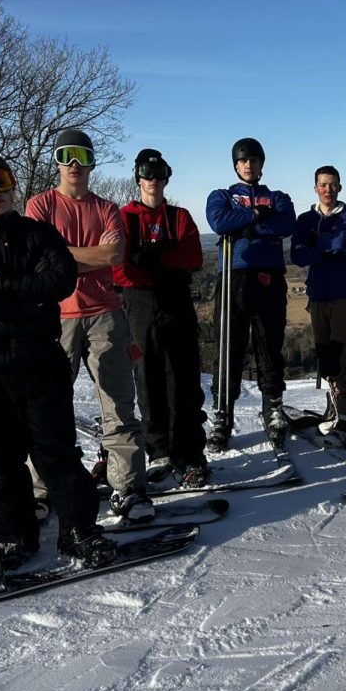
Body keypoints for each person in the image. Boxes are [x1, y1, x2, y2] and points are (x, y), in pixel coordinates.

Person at [0, 153, 117, 569]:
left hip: (39, 362)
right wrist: (27, 299)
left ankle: (79, 530)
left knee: (57, 452)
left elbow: (61, 280)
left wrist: (0, 282)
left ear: (13, 185)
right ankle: (12, 533)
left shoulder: (38, 232)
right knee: (0, 458)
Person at [25, 129, 153, 522]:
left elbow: (114, 253)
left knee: (118, 404)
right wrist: (81, 257)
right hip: (54, 315)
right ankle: (42, 491)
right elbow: (37, 259)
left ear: (93, 161)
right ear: (58, 161)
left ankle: (127, 488)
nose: (75, 164)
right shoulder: (40, 205)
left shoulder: (107, 209)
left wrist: (60, 256)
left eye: (82, 155)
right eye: (67, 155)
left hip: (105, 313)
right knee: (46, 405)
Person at [114, 148, 210, 488]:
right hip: (140, 308)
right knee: (148, 377)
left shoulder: (179, 216)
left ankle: (189, 452)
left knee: (183, 378)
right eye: (147, 174)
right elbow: (121, 269)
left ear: (166, 178)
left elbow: (193, 255)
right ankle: (159, 450)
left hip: (177, 304)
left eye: (159, 174)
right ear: (138, 179)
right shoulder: (125, 217)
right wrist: (166, 260)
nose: (153, 181)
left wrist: (150, 259)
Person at [204, 137, 297, 449]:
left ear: (261, 164)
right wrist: (257, 216)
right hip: (233, 275)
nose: (248, 165)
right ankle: (222, 414)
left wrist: (243, 226)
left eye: (254, 160)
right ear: (236, 165)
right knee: (229, 347)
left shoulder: (278, 197)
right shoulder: (222, 195)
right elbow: (219, 222)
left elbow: (285, 225)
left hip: (269, 277)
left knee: (269, 344)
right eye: (243, 161)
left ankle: (273, 407)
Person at [290, 165, 346, 445]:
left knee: (341, 360)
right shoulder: (305, 219)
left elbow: (340, 242)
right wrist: (322, 245)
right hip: (317, 299)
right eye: (323, 184)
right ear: (315, 187)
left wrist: (314, 245)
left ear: (340, 187)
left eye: (332, 185)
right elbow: (298, 256)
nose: (328, 189)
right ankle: (336, 411)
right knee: (327, 362)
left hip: (343, 298)